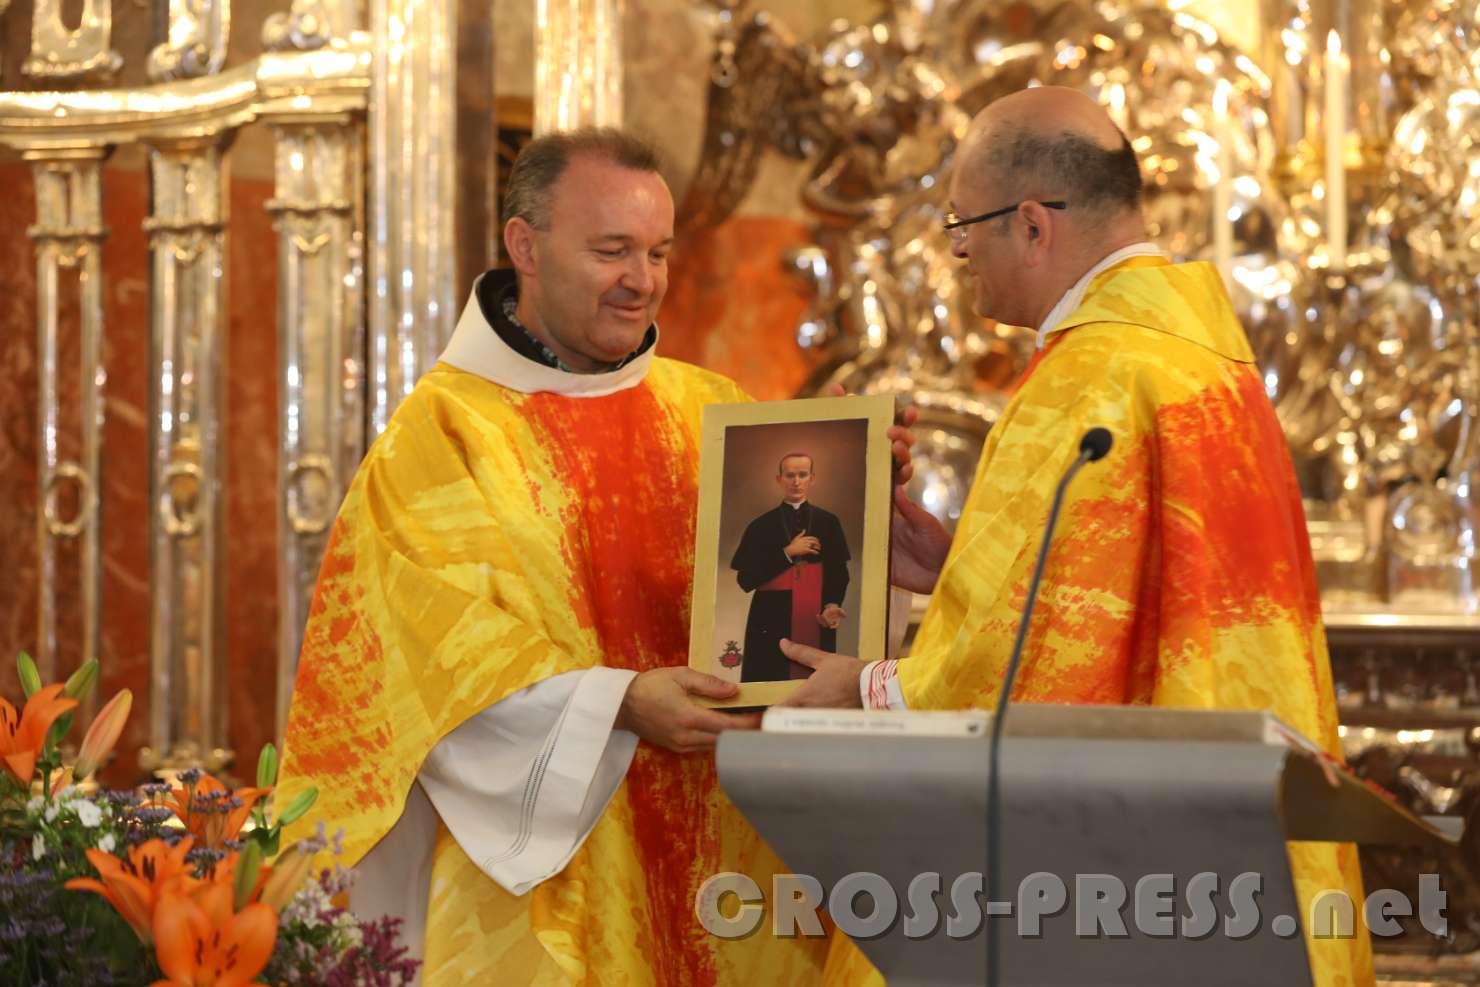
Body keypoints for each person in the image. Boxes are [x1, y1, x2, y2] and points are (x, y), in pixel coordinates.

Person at [274, 128, 916, 985]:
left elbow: (788, 612)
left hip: (731, 860)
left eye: (656, 251)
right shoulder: (442, 435)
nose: (642, 280)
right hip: (547, 881)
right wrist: (618, 702)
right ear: (524, 245)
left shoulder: (709, 407)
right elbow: (420, 661)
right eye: (612, 249)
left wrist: (858, 495)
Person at [779, 87, 1373, 987]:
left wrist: (861, 685)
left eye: (961, 224)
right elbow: (1123, 597)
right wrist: (952, 564)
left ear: (1030, 224)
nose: (958, 252)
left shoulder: (1089, 373)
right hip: (1212, 824)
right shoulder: (1201, 355)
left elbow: (1013, 665)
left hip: (1096, 861)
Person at [730, 452, 851, 682]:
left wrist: (832, 604)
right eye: (790, 475)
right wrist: (788, 553)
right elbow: (745, 580)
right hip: (770, 617)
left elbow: (839, 573)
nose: (796, 481)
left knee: (815, 688)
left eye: (802, 475)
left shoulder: (829, 522)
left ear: (812, 478)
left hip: (816, 614)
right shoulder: (760, 526)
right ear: (779, 479)